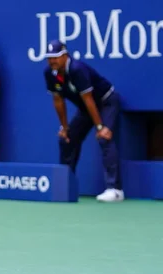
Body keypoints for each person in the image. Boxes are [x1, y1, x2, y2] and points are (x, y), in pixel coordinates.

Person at [44, 40, 124, 202]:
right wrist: (65, 128)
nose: (52, 61)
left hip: (106, 102)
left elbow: (88, 99)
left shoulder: (76, 69)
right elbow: (58, 101)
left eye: (56, 57)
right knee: (66, 140)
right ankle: (66, 186)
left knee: (104, 137)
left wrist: (100, 127)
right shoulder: (50, 73)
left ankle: (115, 190)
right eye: (49, 57)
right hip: (87, 109)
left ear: (65, 56)